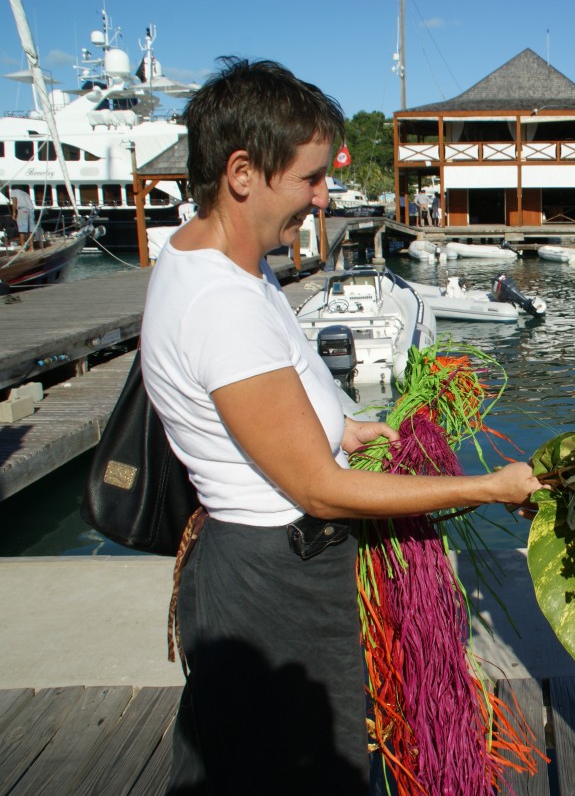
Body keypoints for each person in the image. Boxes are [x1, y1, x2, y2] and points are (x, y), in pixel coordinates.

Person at [140, 58, 540, 794]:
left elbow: (263, 411)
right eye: (311, 177)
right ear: (241, 172)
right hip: (272, 583)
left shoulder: (233, 267)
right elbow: (322, 493)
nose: (325, 198)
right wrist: (484, 487)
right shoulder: (220, 304)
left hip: (263, 569)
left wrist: (339, 428)